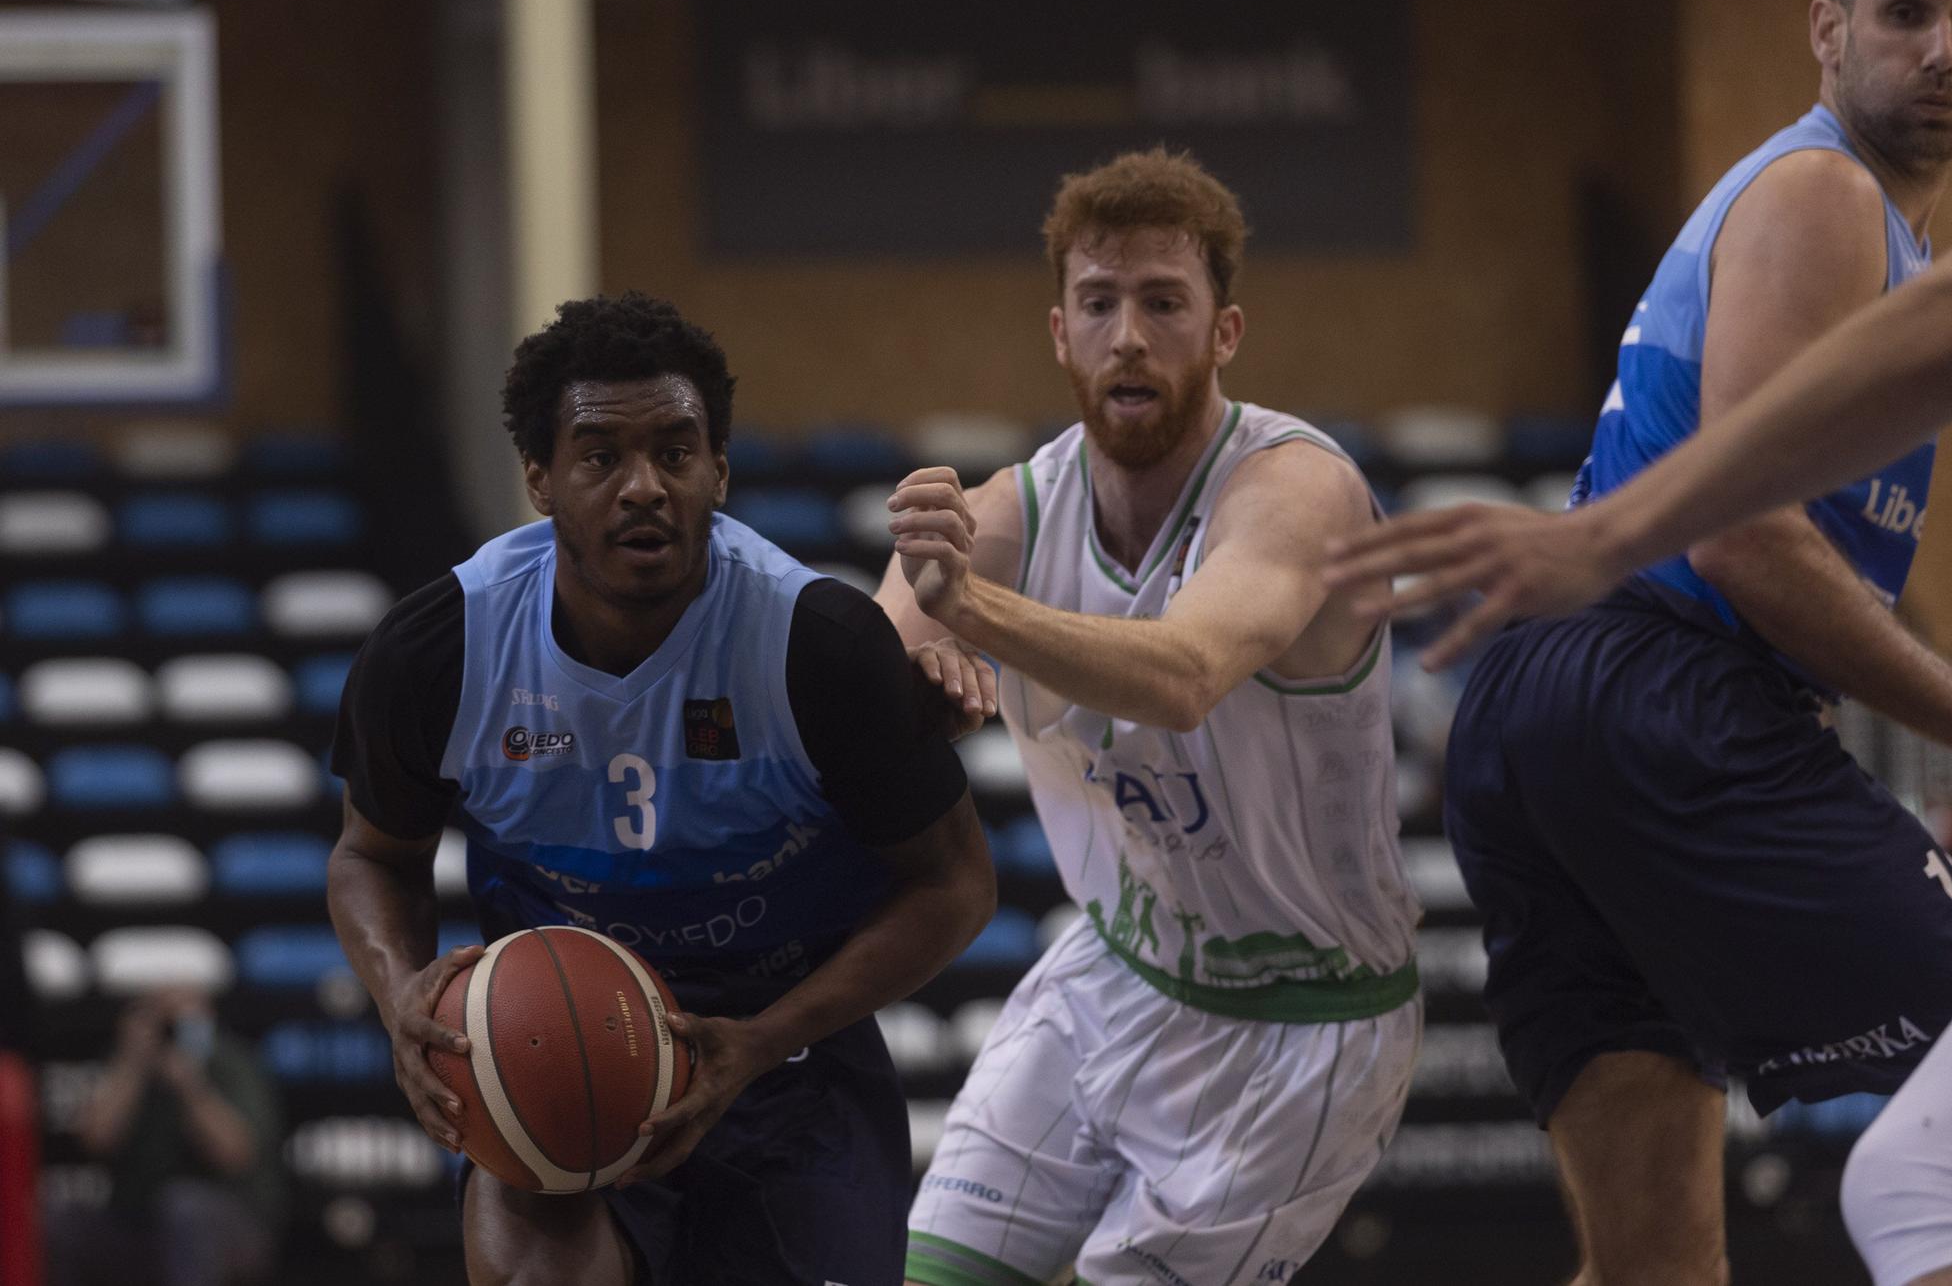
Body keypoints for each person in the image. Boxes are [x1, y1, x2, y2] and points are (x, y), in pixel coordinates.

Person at [1335, 0, 1952, 1282]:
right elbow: (1747, 538)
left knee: (1653, 1265)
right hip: (1659, 691)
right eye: (1906, 10)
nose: (1941, 49)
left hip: (1555, 711)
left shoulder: (1890, 241)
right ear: (1825, 31)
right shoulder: (1826, 193)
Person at [328, 293, 996, 1286]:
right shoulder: (442, 650)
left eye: (675, 452)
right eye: (600, 456)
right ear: (539, 477)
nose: (643, 486)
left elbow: (954, 886)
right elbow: (371, 858)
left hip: (784, 1052)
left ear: (717, 471)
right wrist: (402, 1002)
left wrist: (757, 1043)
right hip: (560, 1045)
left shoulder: (813, 644)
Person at [878, 148, 1422, 1286]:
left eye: (1162, 301)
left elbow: (1182, 674)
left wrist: (969, 606)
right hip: (1115, 972)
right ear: (1059, 332)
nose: (1128, 333)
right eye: (1098, 302)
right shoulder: (1015, 512)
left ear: (1223, 332)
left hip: (1303, 1018)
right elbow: (858, 685)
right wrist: (904, 676)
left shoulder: (1291, 490)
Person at [44, 986, 285, 1286]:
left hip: (228, 1223)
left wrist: (189, 1084)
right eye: (156, 1013)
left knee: (183, 1207)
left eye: (177, 1015)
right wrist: (131, 1066)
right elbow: (94, 1140)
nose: (167, 1028)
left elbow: (236, 1154)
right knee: (58, 1221)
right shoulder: (126, 1063)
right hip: (139, 1224)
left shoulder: (230, 1059)